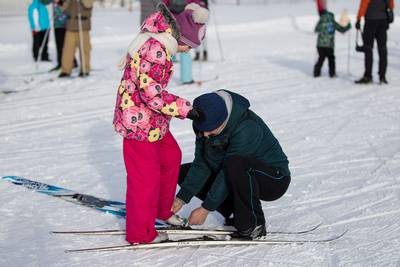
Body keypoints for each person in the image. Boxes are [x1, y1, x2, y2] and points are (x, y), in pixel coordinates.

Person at [112, 3, 209, 244]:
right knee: (145, 179)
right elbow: (152, 95)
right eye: (188, 46)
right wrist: (186, 109)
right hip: (138, 123)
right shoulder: (155, 49)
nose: (187, 51)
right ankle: (140, 234)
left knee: (171, 157)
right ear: (180, 36)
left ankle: (162, 209)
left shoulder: (162, 44)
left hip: (152, 121)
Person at [172, 90, 291, 240]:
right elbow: (201, 164)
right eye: (202, 129)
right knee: (184, 172)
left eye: (211, 130)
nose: (205, 135)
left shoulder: (247, 127)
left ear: (224, 121)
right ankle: (234, 212)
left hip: (273, 179)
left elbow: (227, 173)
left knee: (236, 164)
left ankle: (253, 224)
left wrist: (205, 209)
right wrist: (181, 198)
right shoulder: (205, 126)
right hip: (236, 172)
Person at [355, 0, 395, 84]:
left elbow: (364, 4)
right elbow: (391, 5)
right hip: (383, 21)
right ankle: (382, 77)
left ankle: (368, 76)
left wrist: (358, 19)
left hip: (370, 21)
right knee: (382, 49)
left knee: (368, 49)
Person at [59, 0, 94, 78]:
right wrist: (61, 2)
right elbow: (63, 8)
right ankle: (66, 70)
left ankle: (85, 69)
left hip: (83, 26)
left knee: (84, 49)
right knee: (67, 50)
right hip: (71, 26)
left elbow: (88, 4)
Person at [313, 7, 351, 78]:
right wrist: (348, 25)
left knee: (321, 58)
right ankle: (332, 73)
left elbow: (316, 30)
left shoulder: (321, 21)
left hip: (320, 45)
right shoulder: (332, 22)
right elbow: (342, 29)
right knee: (331, 59)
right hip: (329, 45)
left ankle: (316, 73)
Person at [40, 0, 77, 71]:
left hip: (68, 22)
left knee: (68, 43)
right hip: (57, 23)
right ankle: (61, 63)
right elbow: (44, 2)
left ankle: (72, 62)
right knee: (59, 44)